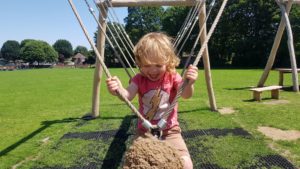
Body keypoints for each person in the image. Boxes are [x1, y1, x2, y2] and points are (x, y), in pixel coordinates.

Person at [106, 32, 198, 169]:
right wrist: (118, 89)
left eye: (158, 65)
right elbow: (128, 95)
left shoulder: (172, 76)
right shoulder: (138, 79)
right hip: (144, 131)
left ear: (168, 62)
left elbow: (185, 95)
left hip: (170, 131)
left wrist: (188, 84)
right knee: (135, 163)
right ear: (139, 63)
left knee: (186, 164)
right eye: (147, 65)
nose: (153, 70)